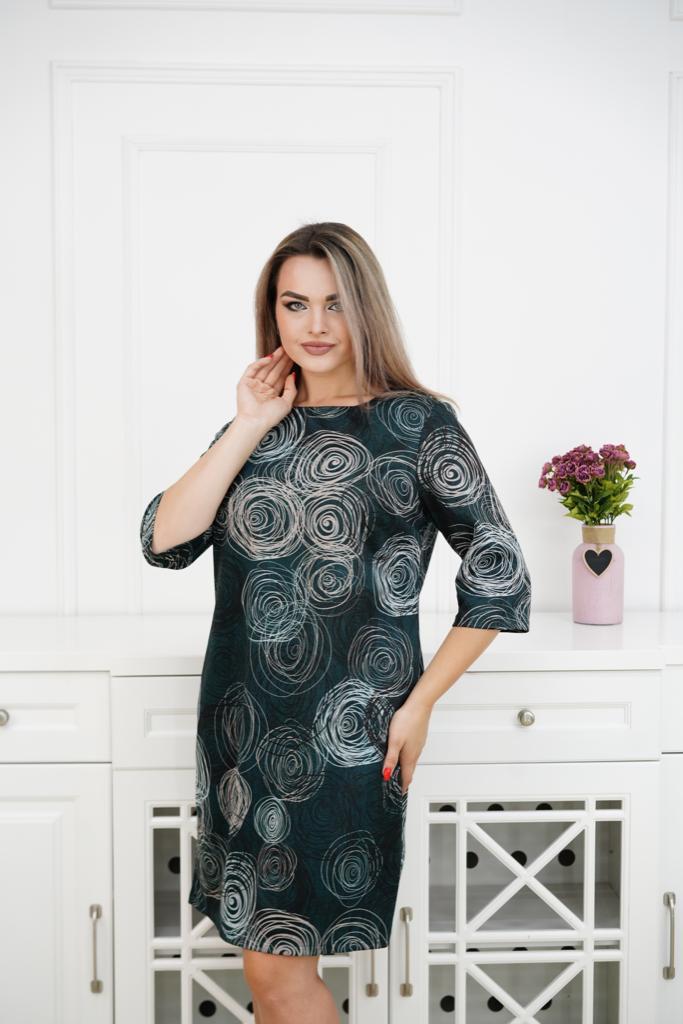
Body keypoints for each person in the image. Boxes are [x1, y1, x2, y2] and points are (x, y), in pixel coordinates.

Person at [140, 222, 531, 1024]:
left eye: (335, 304)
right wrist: (248, 422)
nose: (314, 325)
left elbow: (499, 571)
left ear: (366, 310)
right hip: (240, 736)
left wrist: (418, 705)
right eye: (295, 304)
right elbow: (164, 540)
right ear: (272, 314)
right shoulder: (256, 426)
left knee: (278, 974)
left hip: (347, 738)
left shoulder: (419, 425)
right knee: (266, 971)